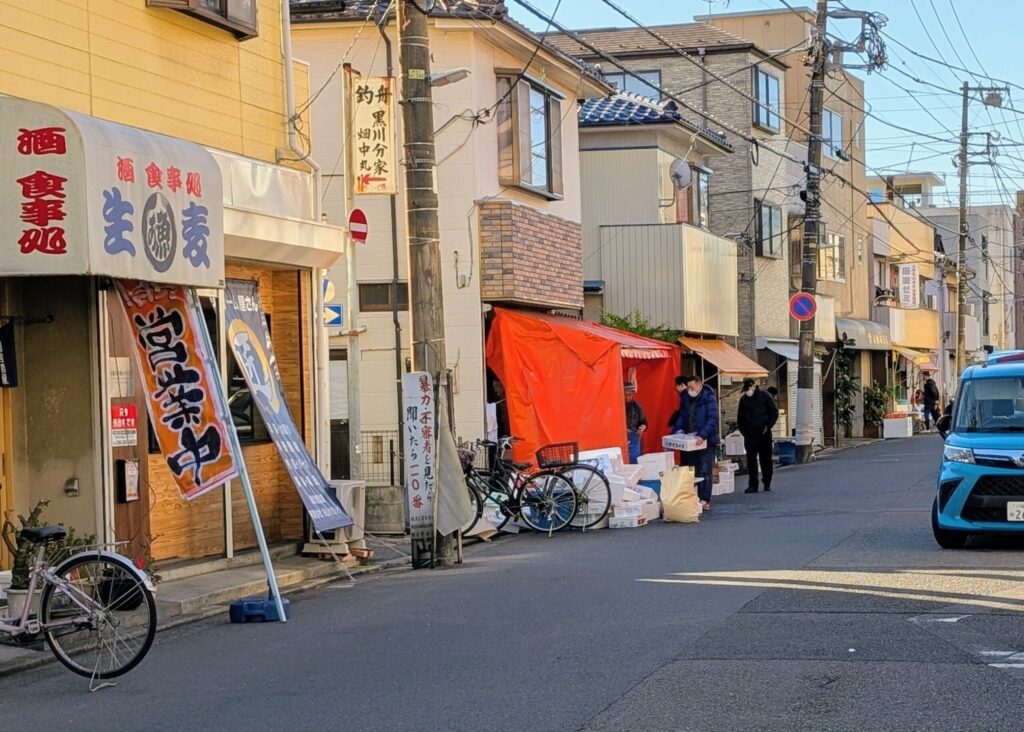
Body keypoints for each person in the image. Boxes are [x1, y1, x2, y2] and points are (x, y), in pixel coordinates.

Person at [673, 375, 719, 511]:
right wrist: (678, 430)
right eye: (689, 387)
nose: (690, 390)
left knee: (704, 470)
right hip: (690, 439)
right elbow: (682, 416)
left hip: (706, 440)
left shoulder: (709, 397)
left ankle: (705, 499)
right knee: (689, 469)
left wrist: (702, 435)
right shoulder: (686, 398)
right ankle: (691, 498)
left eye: (692, 387)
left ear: (699, 386)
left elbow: (712, 418)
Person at [737, 378, 779, 493]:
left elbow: (774, 412)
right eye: (746, 388)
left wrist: (768, 426)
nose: (749, 390)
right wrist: (744, 431)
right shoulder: (744, 399)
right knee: (751, 460)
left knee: (766, 460)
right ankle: (753, 484)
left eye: (750, 387)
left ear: (755, 386)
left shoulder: (765, 396)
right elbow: (740, 418)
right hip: (750, 434)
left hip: (764, 433)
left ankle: (767, 482)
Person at [625, 382, 647, 463]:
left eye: (630, 395)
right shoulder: (617, 405)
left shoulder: (637, 406)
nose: (628, 397)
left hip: (634, 439)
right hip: (620, 440)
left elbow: (644, 422)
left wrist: (642, 428)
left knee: (634, 464)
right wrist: (623, 429)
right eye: (625, 395)